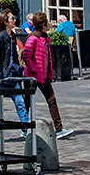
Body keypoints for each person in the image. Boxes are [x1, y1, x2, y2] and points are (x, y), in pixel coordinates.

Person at [22, 12, 73, 140]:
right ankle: (23, 129)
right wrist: (33, 70)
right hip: (32, 77)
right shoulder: (33, 38)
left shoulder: (44, 38)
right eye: (47, 22)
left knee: (52, 100)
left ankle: (59, 128)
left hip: (43, 76)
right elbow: (26, 56)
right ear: (43, 25)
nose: (50, 24)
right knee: (26, 102)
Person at [0, 9, 29, 143]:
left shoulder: (12, 36)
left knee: (20, 101)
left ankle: (26, 128)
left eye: (14, 17)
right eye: (11, 18)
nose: (14, 20)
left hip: (12, 75)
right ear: (5, 21)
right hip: (1, 76)